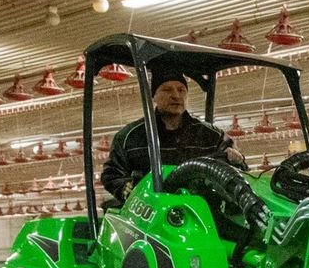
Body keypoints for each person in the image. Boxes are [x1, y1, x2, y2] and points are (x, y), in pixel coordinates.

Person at [100, 68, 246, 201]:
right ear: (154, 96)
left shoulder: (212, 136)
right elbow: (112, 174)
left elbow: (241, 172)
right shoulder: (130, 137)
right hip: (151, 214)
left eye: (181, 90)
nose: (176, 95)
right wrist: (126, 189)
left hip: (203, 210)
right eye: (167, 90)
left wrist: (237, 160)